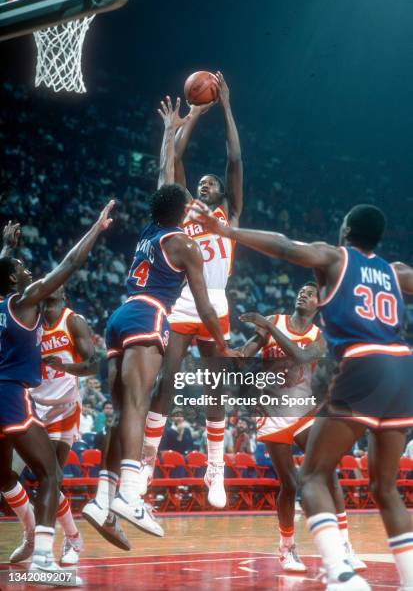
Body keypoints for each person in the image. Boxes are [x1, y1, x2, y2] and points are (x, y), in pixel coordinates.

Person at [191, 200, 413, 590]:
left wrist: (226, 232)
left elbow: (284, 246)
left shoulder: (335, 258)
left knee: (312, 476)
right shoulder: (395, 273)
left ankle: (341, 572)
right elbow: (244, 354)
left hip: (361, 366)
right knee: (384, 487)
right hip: (401, 370)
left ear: (345, 230)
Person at [81, 97, 240, 547]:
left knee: (121, 411)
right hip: (152, 314)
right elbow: (207, 308)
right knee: (136, 405)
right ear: (182, 209)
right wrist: (222, 340)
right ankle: (131, 492)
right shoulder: (182, 243)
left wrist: (171, 132)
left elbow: (164, 178)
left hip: (119, 316)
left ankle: (102, 496)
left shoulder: (153, 226)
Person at [139, 72, 244, 510]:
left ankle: (214, 468)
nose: (203, 184)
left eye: (209, 183)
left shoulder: (230, 216)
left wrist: (225, 108)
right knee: (167, 378)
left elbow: (234, 161)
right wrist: (193, 115)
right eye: (198, 183)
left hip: (216, 303)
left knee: (215, 389)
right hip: (183, 301)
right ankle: (147, 459)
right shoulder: (184, 211)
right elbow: (175, 158)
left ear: (221, 192)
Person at [0, 199, 114, 579]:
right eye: (22, 269)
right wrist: (96, 228)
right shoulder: (23, 303)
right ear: (17, 282)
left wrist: (5, 252)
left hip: (59, 408)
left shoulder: (54, 316)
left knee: (5, 477)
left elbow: (92, 362)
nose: (29, 271)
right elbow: (68, 265)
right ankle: (44, 557)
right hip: (17, 399)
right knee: (49, 476)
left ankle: (52, 539)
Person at [239, 283, 365, 573]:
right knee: (290, 483)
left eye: (311, 294)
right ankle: (286, 548)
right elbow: (246, 352)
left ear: (318, 305)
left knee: (327, 471)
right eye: (302, 291)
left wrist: (269, 326)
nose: (303, 294)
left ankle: (345, 546)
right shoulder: (274, 321)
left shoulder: (320, 337)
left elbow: (303, 357)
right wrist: (232, 352)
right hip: (271, 413)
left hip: (303, 410)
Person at [8, 286, 97, 566]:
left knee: (51, 478)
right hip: (32, 405)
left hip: (64, 409)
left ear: (64, 293)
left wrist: (65, 366)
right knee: (7, 476)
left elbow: (94, 364)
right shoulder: (29, 320)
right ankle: (32, 533)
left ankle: (71, 538)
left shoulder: (73, 321)